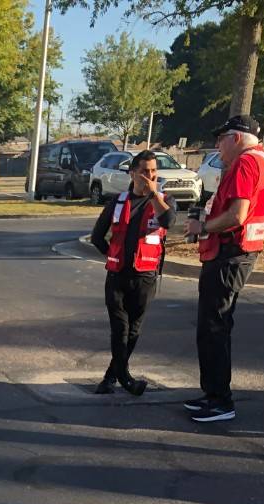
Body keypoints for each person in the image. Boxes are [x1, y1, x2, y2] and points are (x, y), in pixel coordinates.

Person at [183, 114, 264, 424]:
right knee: (214, 326)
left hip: (230, 254)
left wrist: (203, 227)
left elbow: (237, 215)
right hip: (238, 252)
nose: (217, 147)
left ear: (236, 138)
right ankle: (213, 395)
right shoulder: (259, 160)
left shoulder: (246, 163)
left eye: (220, 140)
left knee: (214, 328)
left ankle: (220, 401)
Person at [90, 150, 176, 396]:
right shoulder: (116, 202)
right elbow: (97, 237)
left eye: (154, 172)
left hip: (145, 277)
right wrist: (112, 256)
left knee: (134, 329)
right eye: (144, 172)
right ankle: (124, 377)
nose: (150, 177)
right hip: (117, 276)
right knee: (119, 328)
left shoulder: (164, 200)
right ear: (132, 173)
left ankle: (110, 376)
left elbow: (169, 221)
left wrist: (152, 194)